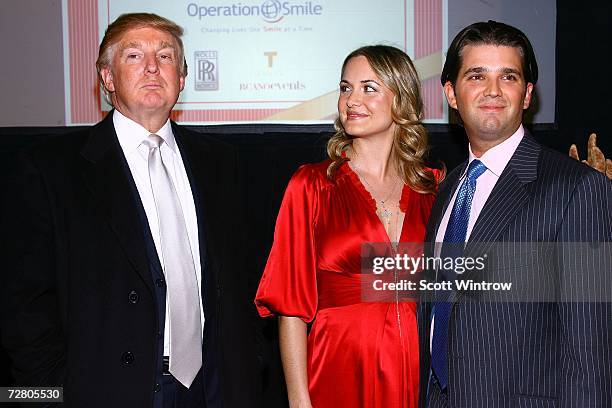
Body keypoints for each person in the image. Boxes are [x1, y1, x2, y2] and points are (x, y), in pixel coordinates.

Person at [1, 13, 260, 407]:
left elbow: (245, 281)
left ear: (183, 78)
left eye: (167, 56)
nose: (153, 67)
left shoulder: (223, 164)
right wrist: (56, 392)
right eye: (135, 55)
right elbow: (26, 307)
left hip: (215, 388)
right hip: (106, 391)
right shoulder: (51, 169)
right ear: (107, 78)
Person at [419, 21, 612, 407]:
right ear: (451, 94)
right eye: (476, 76)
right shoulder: (445, 191)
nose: (492, 90)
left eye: (508, 77)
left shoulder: (578, 188)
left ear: (526, 95)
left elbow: (591, 355)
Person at [255, 45, 442, 408]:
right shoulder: (311, 185)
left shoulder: (432, 189)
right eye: (345, 88)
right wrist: (298, 399)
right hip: (338, 367)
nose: (352, 100)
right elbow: (291, 306)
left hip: (417, 370)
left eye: (368, 88)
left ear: (401, 99)